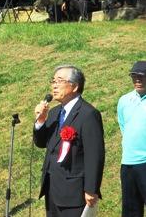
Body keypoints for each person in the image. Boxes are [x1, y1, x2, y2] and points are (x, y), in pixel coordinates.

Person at [33, 65, 105, 217]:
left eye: (59, 80)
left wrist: (91, 189)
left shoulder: (88, 114)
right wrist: (40, 121)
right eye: (53, 81)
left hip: (74, 192)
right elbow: (41, 143)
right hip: (52, 187)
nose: (54, 85)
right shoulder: (53, 113)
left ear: (74, 86)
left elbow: (95, 155)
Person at [117, 61, 146, 217]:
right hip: (128, 164)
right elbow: (124, 126)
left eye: (142, 76)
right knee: (130, 210)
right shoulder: (124, 101)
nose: (138, 80)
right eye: (134, 76)